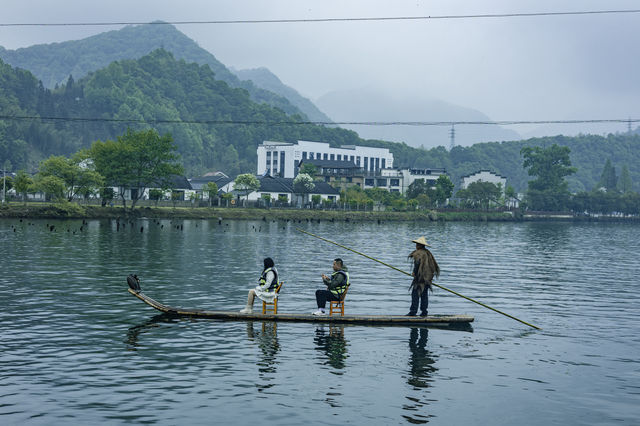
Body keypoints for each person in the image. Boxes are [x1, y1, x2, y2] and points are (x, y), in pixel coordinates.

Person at [406, 236, 440, 317]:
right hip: (427, 279)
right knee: (424, 295)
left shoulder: (419, 253)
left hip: (420, 279)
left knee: (415, 294)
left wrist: (414, 272)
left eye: (417, 244)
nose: (416, 245)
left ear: (419, 245)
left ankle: (413, 312)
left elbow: (417, 263)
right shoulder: (428, 253)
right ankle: (424, 312)